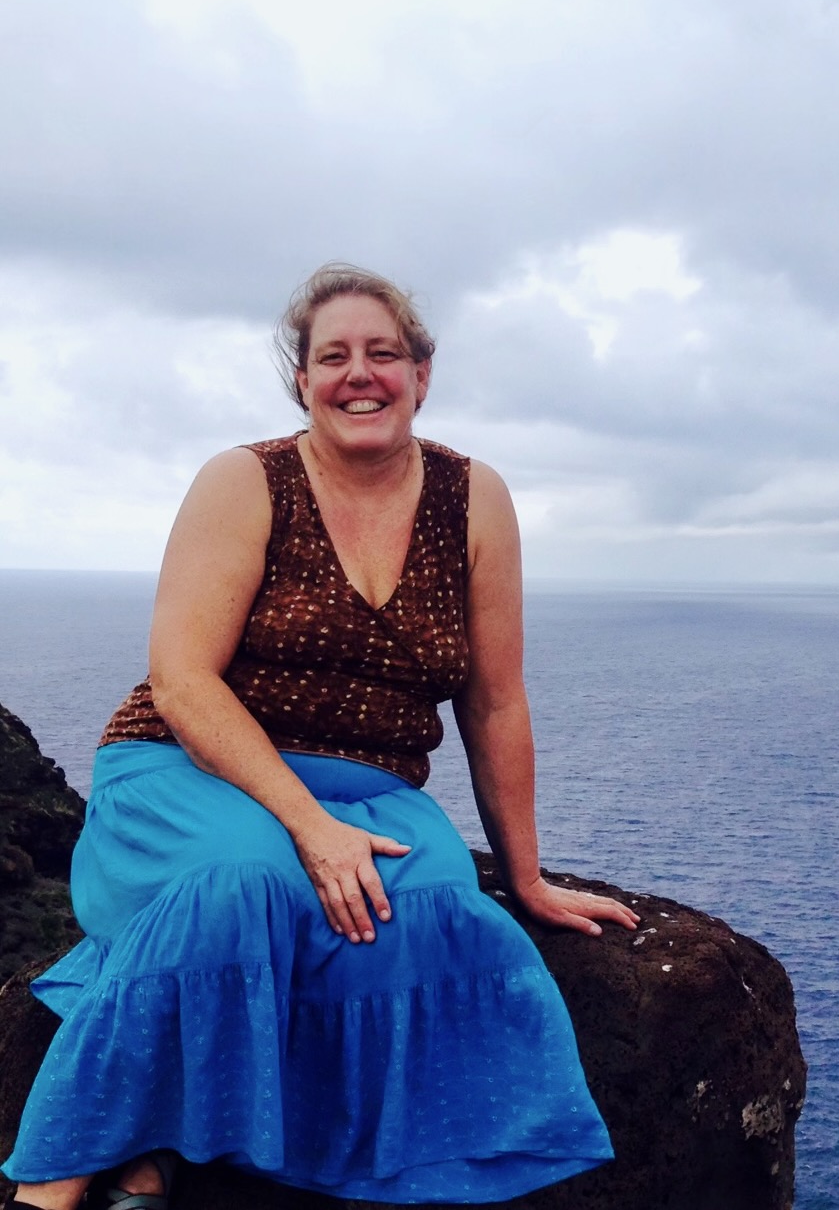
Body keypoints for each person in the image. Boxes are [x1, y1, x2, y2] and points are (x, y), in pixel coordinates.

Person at [2, 262, 639, 1210]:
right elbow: (183, 682)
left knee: (435, 910)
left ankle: (198, 1147)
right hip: (189, 768)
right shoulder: (246, 479)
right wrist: (307, 826)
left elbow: (495, 700)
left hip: (374, 789)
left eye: (384, 353)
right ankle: (55, 1182)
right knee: (246, 886)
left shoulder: (475, 498)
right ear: (302, 381)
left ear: (423, 372)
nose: (360, 374)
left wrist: (529, 875)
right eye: (332, 356)